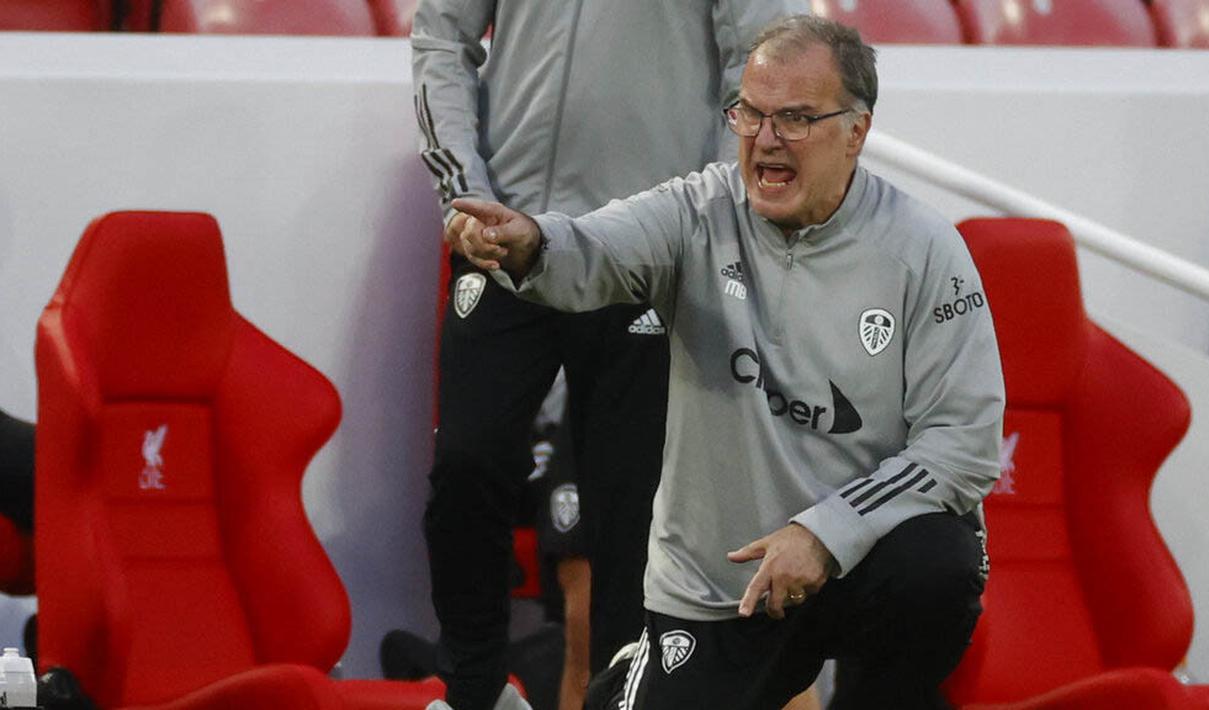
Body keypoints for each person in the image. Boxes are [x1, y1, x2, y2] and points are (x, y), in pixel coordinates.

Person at [452, 15, 1004, 710]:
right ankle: (627, 683)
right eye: (750, 113)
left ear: (856, 132)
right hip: (719, 589)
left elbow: (964, 445)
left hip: (854, 564)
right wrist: (528, 242)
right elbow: (587, 252)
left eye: (795, 119)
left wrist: (823, 535)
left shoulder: (924, 251)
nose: (765, 140)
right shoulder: (695, 211)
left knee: (938, 565)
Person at [407, 2, 806, 709]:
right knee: (466, 464)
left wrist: (703, 227)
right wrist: (462, 194)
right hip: (505, 232)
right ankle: (473, 690)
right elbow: (443, 33)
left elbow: (769, 63)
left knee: (630, 520)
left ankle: (619, 700)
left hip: (643, 247)